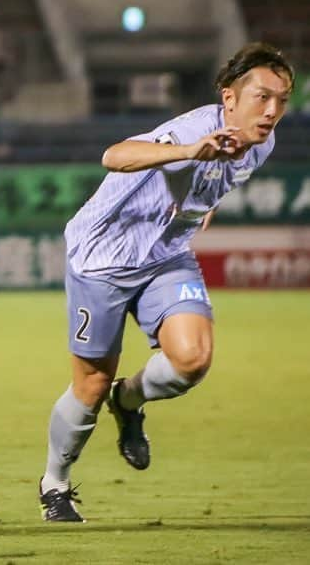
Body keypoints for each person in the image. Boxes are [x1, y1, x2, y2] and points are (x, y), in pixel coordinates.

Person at [38, 42, 293, 522]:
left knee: (192, 360)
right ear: (229, 99)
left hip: (165, 256)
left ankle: (128, 400)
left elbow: (214, 180)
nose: (273, 111)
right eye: (262, 97)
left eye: (282, 99)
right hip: (102, 260)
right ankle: (55, 483)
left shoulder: (263, 142)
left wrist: (202, 204)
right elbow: (113, 155)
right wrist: (187, 151)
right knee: (88, 384)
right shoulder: (192, 132)